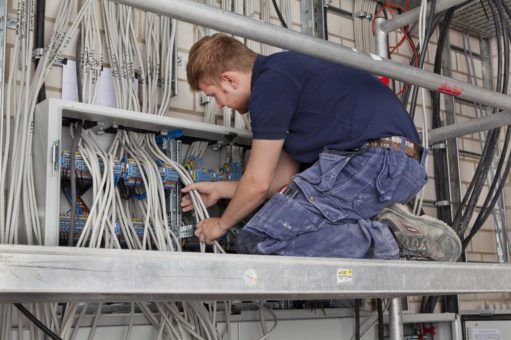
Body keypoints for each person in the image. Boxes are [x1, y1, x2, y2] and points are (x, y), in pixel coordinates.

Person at [181, 33, 461, 261]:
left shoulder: (269, 84)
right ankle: (387, 227)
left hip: (372, 163)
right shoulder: (289, 78)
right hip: (398, 168)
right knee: (293, 230)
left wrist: (221, 224)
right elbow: (278, 182)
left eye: (214, 94)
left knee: (259, 239)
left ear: (229, 79)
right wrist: (222, 190)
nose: (219, 105)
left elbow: (257, 183)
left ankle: (390, 236)